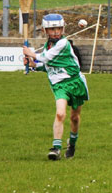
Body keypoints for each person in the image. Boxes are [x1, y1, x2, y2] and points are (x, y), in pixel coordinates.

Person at [23, 13, 89, 160]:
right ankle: (56, 148)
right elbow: (49, 66)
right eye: (52, 30)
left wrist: (31, 54)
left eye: (58, 28)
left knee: (75, 118)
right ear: (45, 31)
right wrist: (34, 66)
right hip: (60, 85)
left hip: (75, 82)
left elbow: (46, 58)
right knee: (60, 114)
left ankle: (72, 143)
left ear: (63, 29)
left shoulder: (63, 44)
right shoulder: (48, 46)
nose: (56, 32)